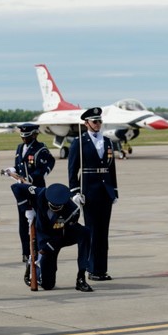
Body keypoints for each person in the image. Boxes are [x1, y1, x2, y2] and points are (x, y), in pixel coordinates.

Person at [11, 182, 93, 292]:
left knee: (84, 233)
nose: (55, 209)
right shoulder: (40, 193)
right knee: (48, 285)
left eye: (58, 207)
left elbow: (63, 232)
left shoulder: (72, 210)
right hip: (45, 237)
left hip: (61, 235)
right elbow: (16, 187)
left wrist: (47, 248)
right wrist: (26, 208)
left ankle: (81, 277)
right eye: (53, 206)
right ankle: (33, 267)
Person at [68, 107, 119, 281]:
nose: (98, 124)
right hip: (88, 191)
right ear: (86, 123)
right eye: (94, 121)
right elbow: (72, 169)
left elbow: (111, 168)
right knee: (92, 231)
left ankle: (101, 269)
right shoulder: (79, 142)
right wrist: (74, 191)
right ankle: (91, 268)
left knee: (103, 232)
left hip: (105, 192)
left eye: (99, 121)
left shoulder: (107, 141)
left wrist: (115, 191)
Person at [3, 122, 56, 263]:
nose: (24, 139)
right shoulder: (20, 148)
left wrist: (32, 178)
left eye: (27, 136)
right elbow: (19, 166)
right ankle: (25, 252)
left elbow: (46, 165)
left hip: (36, 189)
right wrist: (12, 171)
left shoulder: (41, 149)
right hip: (22, 190)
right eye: (22, 136)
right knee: (23, 221)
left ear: (34, 135)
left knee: (39, 221)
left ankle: (39, 248)